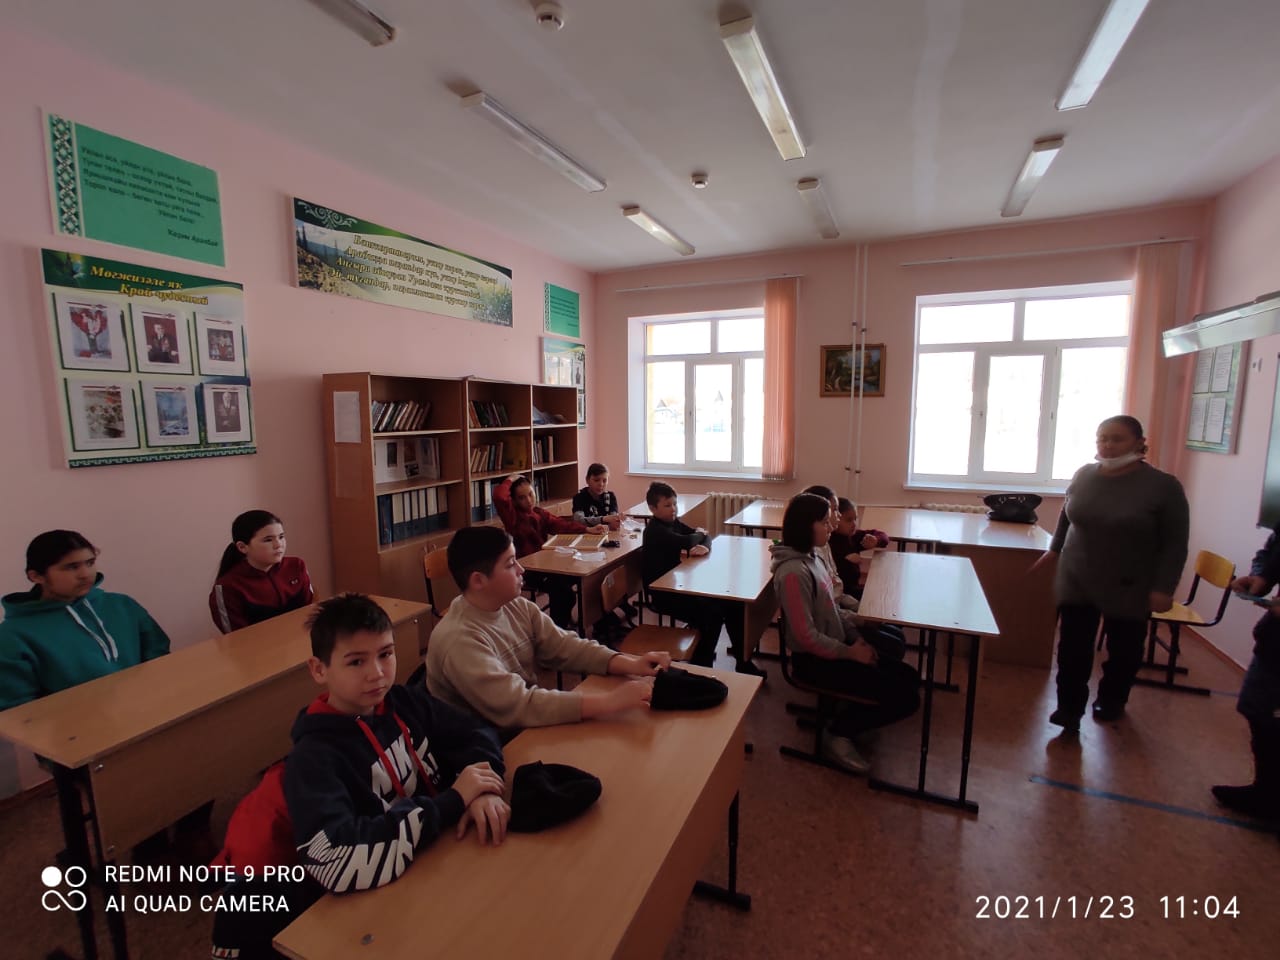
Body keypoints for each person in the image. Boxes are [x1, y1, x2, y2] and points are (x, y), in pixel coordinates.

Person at [211, 594, 507, 959]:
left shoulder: (403, 701)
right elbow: (335, 860)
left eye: (385, 654)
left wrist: (483, 789)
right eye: (356, 661)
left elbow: (476, 732)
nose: (377, 673)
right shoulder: (314, 758)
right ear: (319, 670)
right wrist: (454, 800)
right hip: (345, 913)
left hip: (423, 866)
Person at [426, 526, 668, 735]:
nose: (521, 570)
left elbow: (564, 646)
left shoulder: (514, 605)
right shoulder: (459, 640)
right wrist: (609, 702)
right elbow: (518, 705)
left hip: (522, 728)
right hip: (488, 746)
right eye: (510, 564)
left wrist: (630, 663)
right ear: (478, 580)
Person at [1030, 415, 1189, 733]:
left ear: (1139, 443)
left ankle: (1112, 700)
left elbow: (1175, 543)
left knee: (1124, 650)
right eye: (1102, 438)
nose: (1108, 445)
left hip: (1129, 580)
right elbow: (1067, 514)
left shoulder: (1163, 486)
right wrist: (1054, 549)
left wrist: (1163, 588)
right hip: (1078, 576)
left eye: (1117, 439)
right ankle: (1069, 708)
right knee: (1072, 648)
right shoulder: (1084, 475)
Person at [770, 494, 920, 774]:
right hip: (814, 662)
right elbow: (805, 637)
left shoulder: (813, 557)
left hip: (837, 647)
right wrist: (850, 653)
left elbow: (833, 609)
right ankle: (840, 732)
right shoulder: (793, 572)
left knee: (910, 678)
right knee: (907, 698)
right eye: (824, 522)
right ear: (805, 525)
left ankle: (851, 721)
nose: (831, 526)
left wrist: (855, 637)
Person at [0, 530, 170, 710]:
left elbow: (160, 659)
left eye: (90, 563)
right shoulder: (12, 636)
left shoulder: (121, 605)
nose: (85, 574)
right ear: (36, 576)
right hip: (77, 725)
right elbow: (17, 710)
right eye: (71, 567)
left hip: (151, 711)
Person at [641, 481, 764, 677]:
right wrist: (699, 535)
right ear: (653, 509)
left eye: (675, 503)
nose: (673, 509)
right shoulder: (655, 530)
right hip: (663, 594)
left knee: (734, 604)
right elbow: (688, 540)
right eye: (667, 505)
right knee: (712, 615)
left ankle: (743, 660)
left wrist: (704, 543)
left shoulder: (673, 523)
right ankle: (701, 666)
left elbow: (704, 535)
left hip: (677, 585)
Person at [1211, 523, 1280, 822]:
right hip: (1274, 640)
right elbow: (1269, 552)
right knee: (1255, 708)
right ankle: (1266, 792)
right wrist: (1259, 577)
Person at [492, 474, 605, 629]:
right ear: (514, 501)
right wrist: (510, 479)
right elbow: (499, 497)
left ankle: (596, 621)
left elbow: (560, 525)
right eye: (522, 498)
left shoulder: (538, 512)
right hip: (529, 570)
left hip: (546, 565)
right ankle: (557, 630)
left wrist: (586, 529)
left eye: (530, 494)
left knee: (583, 577)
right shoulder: (513, 518)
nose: (528, 500)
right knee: (564, 592)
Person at [210, 510, 314, 633]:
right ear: (242, 547)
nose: (278, 544)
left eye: (281, 537)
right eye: (268, 540)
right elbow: (235, 638)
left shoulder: (296, 566)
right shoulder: (227, 587)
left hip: (301, 639)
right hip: (258, 645)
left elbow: (309, 612)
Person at [829, 497, 889, 600]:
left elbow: (884, 537)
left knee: (884, 590)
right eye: (849, 520)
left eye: (855, 519)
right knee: (880, 597)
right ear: (835, 518)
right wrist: (844, 560)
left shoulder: (853, 536)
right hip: (841, 593)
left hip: (853, 589)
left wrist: (876, 540)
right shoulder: (827, 540)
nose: (854, 524)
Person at [571, 462, 622, 530]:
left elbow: (613, 518)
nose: (601, 484)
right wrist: (603, 519)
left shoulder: (610, 496)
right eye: (596, 480)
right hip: (588, 534)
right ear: (587, 480)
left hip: (606, 533)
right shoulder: (579, 497)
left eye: (604, 481)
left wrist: (617, 520)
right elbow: (578, 521)